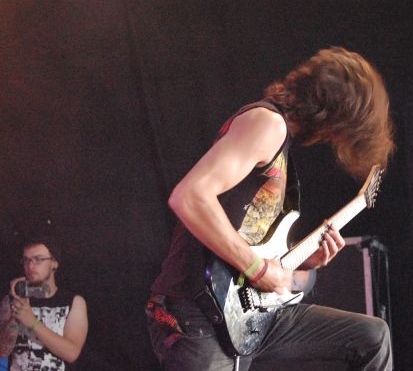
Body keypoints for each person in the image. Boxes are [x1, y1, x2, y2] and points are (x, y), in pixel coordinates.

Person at [147, 47, 396, 371]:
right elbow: (190, 196)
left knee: (371, 337)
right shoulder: (266, 124)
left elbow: (248, 235)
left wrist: (299, 259)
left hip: (249, 315)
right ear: (333, 114)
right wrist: (258, 270)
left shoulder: (281, 141)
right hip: (197, 311)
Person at [0, 235, 88, 370]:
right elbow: (3, 351)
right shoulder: (13, 299)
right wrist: (14, 316)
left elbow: (72, 353)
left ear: (54, 263)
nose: (30, 266)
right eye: (26, 260)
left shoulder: (73, 302)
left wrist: (32, 322)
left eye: (38, 259)